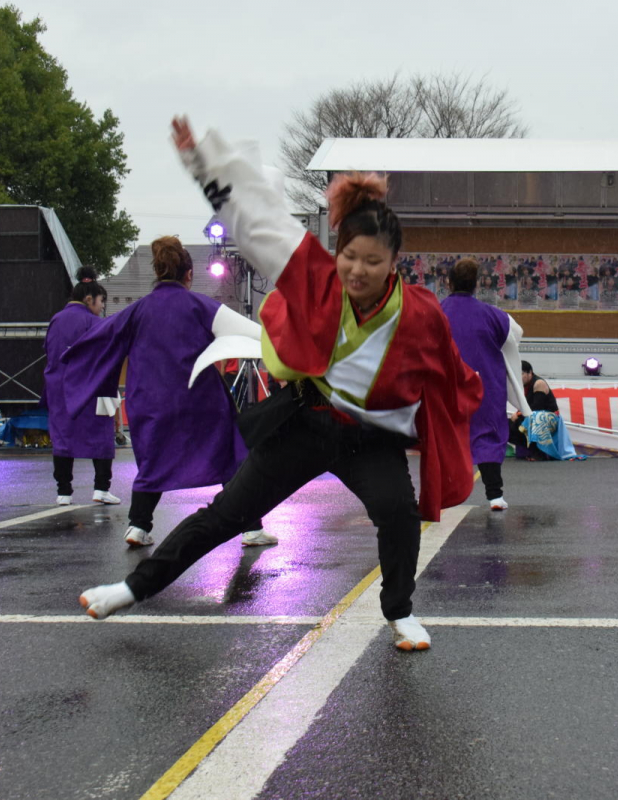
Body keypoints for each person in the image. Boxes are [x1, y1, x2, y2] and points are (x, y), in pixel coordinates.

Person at [79, 116, 482, 652]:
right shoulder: (315, 277)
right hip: (307, 422)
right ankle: (130, 589)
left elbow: (456, 380)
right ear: (337, 251)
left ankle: (399, 611)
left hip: (370, 440)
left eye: (372, 262)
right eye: (349, 258)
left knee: (398, 517)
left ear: (394, 263)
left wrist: (441, 424)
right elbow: (256, 223)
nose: (356, 271)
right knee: (226, 514)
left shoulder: (421, 314)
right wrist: (203, 164)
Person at [62, 236, 274, 548]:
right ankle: (251, 529)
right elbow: (253, 334)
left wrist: (68, 368)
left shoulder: (137, 310)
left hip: (149, 401)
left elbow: (99, 339)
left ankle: (138, 526)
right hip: (200, 399)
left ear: (159, 273)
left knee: (153, 463)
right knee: (231, 455)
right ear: (189, 274)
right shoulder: (201, 305)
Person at [441, 258, 530, 511]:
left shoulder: (437, 311)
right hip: (484, 387)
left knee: (447, 438)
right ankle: (495, 496)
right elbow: (518, 333)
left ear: (448, 282)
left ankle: (443, 493)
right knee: (487, 438)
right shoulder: (493, 314)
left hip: (448, 388)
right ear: (476, 285)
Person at [44, 267, 120, 506]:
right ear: (89, 299)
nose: (101, 306)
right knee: (101, 436)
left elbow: (49, 351)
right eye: (100, 302)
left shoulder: (56, 319)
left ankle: (64, 492)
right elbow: (106, 355)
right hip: (91, 388)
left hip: (59, 388)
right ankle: (101, 489)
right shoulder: (94, 321)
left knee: (63, 439)